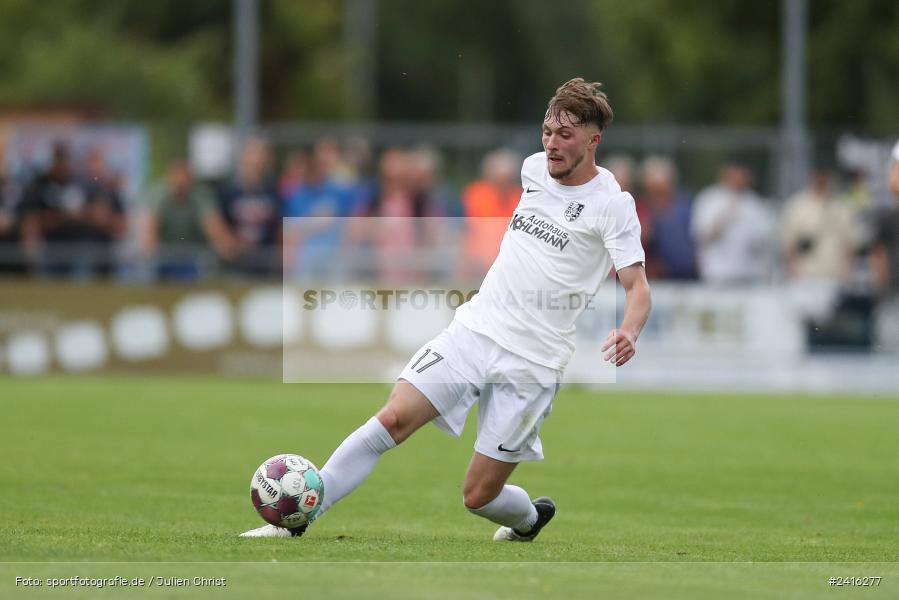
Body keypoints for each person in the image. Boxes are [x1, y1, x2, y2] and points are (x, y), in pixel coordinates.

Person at [241, 78, 652, 542]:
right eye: (547, 131)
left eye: (566, 135)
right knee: (393, 418)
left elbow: (638, 288)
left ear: (594, 140)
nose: (552, 144)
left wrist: (630, 331)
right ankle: (297, 523)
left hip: (533, 360)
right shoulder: (534, 169)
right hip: (475, 330)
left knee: (478, 497)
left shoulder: (613, 206)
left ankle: (529, 520)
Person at [140, 159, 238, 281]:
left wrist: (228, 248)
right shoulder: (157, 195)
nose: (181, 184)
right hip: (163, 259)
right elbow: (149, 234)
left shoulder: (200, 195)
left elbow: (214, 228)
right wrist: (150, 255)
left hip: (192, 260)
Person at [691, 164, 773, 285]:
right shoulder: (709, 199)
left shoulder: (755, 204)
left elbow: (764, 239)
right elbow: (700, 235)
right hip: (717, 272)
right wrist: (724, 220)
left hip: (749, 272)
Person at [218, 137, 282, 276]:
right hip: (237, 258)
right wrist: (231, 244)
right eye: (252, 156)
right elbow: (220, 223)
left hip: (265, 259)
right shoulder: (229, 192)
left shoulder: (273, 191)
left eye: (260, 156)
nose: (256, 161)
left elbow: (279, 225)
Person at [459, 148, 523, 281]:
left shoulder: (521, 198)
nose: (503, 184)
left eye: (508, 179)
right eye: (499, 179)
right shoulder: (475, 194)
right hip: (477, 264)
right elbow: (466, 229)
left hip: (510, 267)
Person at [639, 156, 697, 280]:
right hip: (656, 275)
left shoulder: (685, 206)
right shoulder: (641, 208)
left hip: (688, 270)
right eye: (655, 189)